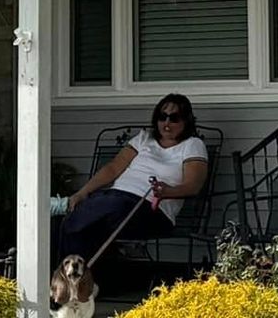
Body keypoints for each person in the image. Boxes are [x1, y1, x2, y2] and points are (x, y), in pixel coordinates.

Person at [58, 93, 209, 264]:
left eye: (174, 118)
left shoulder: (192, 144)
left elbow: (193, 186)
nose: (166, 123)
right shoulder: (144, 138)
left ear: (186, 121)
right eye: (162, 117)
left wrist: (167, 192)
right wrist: (82, 193)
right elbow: (113, 168)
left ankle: (76, 275)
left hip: (152, 211)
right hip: (113, 201)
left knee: (95, 215)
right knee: (75, 219)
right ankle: (72, 276)